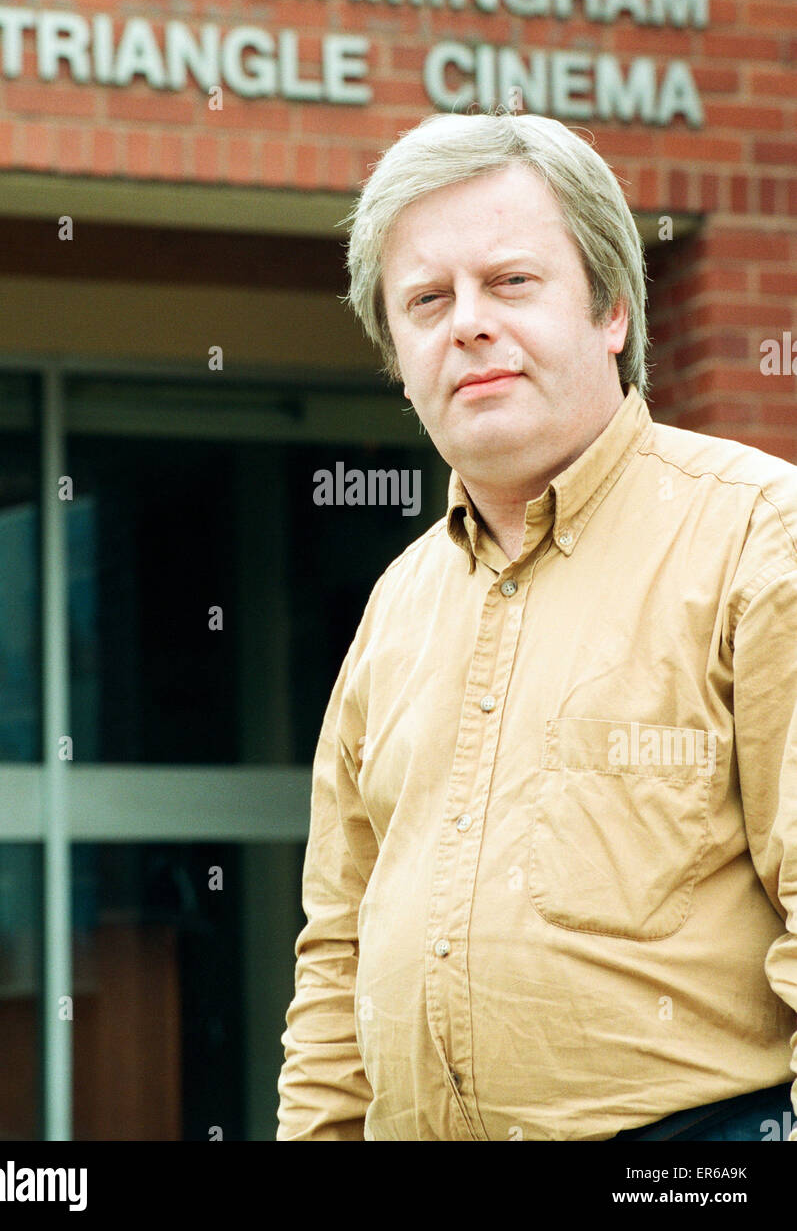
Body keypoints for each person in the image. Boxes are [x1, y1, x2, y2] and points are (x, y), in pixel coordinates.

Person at [275, 110, 797, 1141]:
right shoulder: (396, 608)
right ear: (399, 355)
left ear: (609, 308)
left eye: (511, 282)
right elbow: (335, 957)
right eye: (427, 300)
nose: (467, 322)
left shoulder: (759, 537)